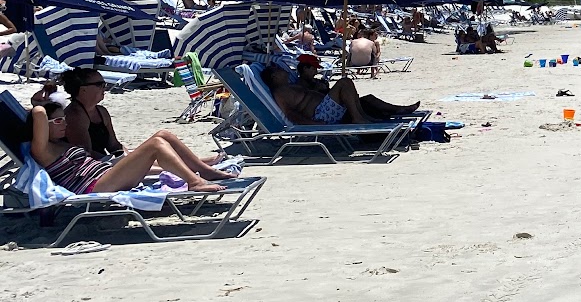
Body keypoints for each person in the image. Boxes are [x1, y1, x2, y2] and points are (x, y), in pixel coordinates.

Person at [28, 92, 235, 193]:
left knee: (164, 134)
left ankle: (203, 171)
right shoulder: (43, 150)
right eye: (57, 121)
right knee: (155, 145)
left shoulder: (62, 144)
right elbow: (38, 112)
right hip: (96, 186)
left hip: (107, 174)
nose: (64, 123)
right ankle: (195, 182)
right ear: (43, 126)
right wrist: (40, 103)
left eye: (64, 119)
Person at [262, 65, 418, 125]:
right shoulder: (280, 92)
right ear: (274, 76)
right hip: (320, 115)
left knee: (358, 91)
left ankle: (362, 116)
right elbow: (290, 113)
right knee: (344, 82)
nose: (284, 70)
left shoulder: (290, 85)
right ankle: (358, 117)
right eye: (279, 69)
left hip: (325, 109)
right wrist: (312, 125)